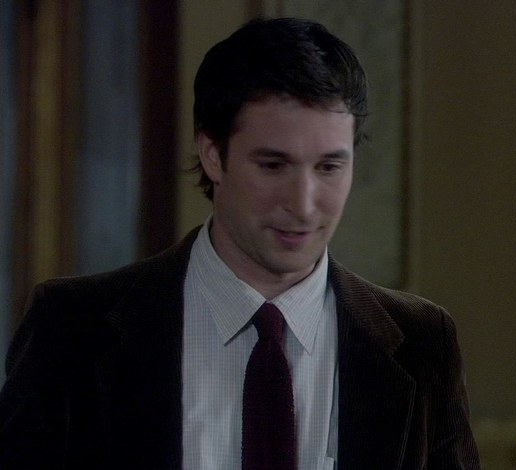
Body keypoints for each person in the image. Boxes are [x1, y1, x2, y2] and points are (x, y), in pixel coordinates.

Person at [0, 17, 480, 469]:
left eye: (329, 167)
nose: (304, 204)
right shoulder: (72, 328)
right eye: (273, 165)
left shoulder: (422, 342)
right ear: (213, 154)